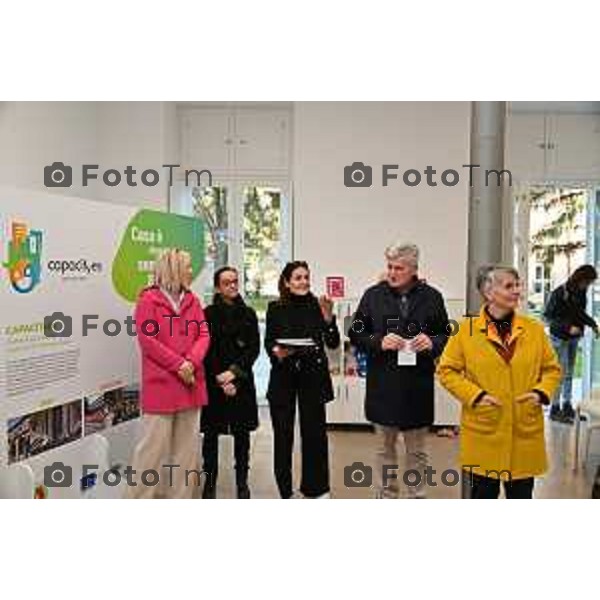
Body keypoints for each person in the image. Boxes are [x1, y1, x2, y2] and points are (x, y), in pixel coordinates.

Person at [437, 265, 561, 499]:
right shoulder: (465, 332)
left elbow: (551, 369)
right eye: (508, 286)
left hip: (524, 433)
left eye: (518, 285)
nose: (517, 291)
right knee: (483, 496)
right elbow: (447, 371)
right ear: (488, 292)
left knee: (521, 497)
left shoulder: (534, 331)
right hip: (484, 433)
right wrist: (476, 396)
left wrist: (540, 392)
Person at [349, 243, 449, 499]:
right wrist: (378, 341)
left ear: (414, 269)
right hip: (383, 385)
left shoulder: (432, 297)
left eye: (399, 268)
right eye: (390, 267)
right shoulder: (372, 296)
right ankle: (387, 495)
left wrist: (433, 342)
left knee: (416, 451)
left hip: (417, 386)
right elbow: (356, 332)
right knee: (385, 449)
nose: (392, 273)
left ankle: (417, 495)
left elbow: (444, 334)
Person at [127, 249, 210, 499]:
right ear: (173, 268)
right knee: (150, 453)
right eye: (187, 266)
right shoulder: (148, 301)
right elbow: (148, 341)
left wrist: (191, 363)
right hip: (162, 386)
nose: (191, 271)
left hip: (191, 384)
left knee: (187, 455)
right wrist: (179, 365)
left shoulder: (193, 301)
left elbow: (203, 335)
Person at [265, 261, 340, 499]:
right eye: (297, 278)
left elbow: (333, 342)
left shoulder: (318, 306)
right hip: (283, 376)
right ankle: (285, 491)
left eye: (306, 277)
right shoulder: (275, 308)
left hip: (312, 377)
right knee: (283, 435)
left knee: (315, 435)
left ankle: (317, 489)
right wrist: (276, 352)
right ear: (287, 282)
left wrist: (329, 319)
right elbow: (270, 341)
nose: (304, 282)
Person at [201, 266, 260, 499]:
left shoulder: (249, 314)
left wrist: (234, 373)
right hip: (215, 383)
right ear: (217, 287)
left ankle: (242, 483)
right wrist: (220, 378)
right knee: (211, 436)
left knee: (242, 435)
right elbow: (206, 350)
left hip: (241, 382)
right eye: (227, 282)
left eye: (235, 281)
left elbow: (253, 349)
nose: (233, 286)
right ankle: (210, 482)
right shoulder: (207, 314)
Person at [544, 265, 598, 424]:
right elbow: (548, 317)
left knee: (569, 373)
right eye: (587, 282)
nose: (587, 286)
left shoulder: (581, 293)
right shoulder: (560, 293)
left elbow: (579, 313)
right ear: (580, 278)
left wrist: (592, 324)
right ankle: (554, 409)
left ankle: (567, 406)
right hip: (559, 337)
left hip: (573, 338)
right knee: (560, 373)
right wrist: (568, 327)